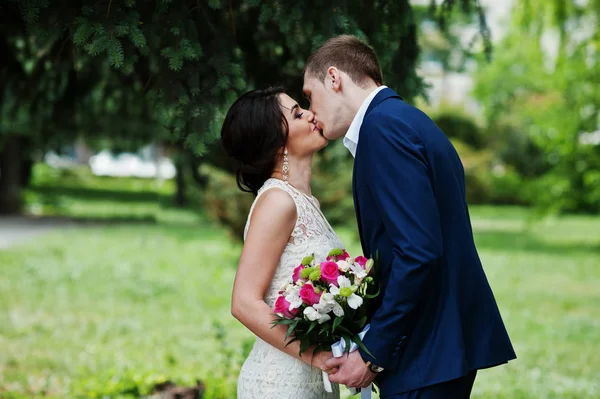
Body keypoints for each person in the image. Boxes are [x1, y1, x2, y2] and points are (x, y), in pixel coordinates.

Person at [303, 35, 516, 398]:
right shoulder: (407, 120)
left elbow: (419, 251)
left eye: (309, 95)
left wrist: (372, 354)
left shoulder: (382, 128)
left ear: (334, 78)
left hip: (426, 351)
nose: (310, 111)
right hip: (440, 343)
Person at [221, 86, 342, 399]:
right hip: (281, 384)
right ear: (276, 144)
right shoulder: (278, 201)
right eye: (298, 114)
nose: (312, 115)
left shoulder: (305, 202)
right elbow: (244, 303)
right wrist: (315, 354)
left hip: (316, 382)